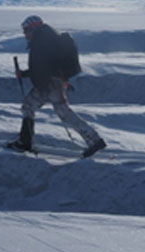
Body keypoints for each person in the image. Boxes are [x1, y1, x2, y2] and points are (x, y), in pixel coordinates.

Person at [7, 15, 107, 158]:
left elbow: (41, 68)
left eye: (26, 30)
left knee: (28, 107)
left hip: (49, 85)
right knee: (63, 113)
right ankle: (95, 140)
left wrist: (23, 74)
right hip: (55, 83)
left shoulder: (41, 41)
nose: (25, 33)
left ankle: (24, 143)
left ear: (33, 28)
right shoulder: (47, 37)